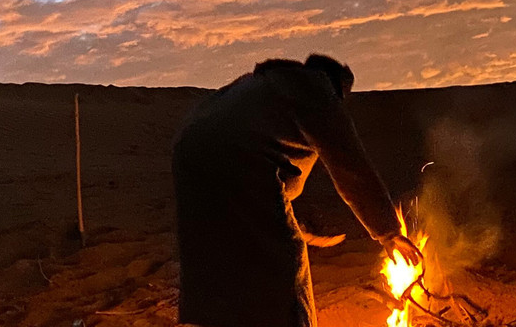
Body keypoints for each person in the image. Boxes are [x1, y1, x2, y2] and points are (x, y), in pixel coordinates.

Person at [172, 53, 421, 327]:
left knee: (216, 254)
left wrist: (287, 214)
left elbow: (271, 156)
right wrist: (388, 232)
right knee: (285, 260)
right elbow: (350, 166)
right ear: (336, 86)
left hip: (190, 156)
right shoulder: (315, 91)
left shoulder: (268, 86)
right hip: (234, 162)